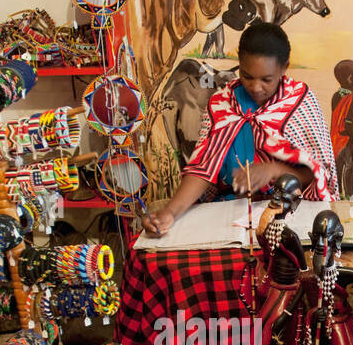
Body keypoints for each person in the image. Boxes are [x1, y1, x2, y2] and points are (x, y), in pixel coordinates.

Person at [141, 21, 336, 237]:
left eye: (266, 79)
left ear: (284, 68)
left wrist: (274, 170)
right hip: (230, 213)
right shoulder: (221, 103)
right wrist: (170, 212)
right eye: (247, 76)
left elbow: (317, 174)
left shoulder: (300, 102)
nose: (255, 87)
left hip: (288, 214)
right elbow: (203, 167)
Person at [330, 59, 353, 198]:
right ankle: (350, 197)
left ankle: (338, 196)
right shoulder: (352, 98)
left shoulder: (336, 96)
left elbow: (337, 120)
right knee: (350, 170)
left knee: (338, 170)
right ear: (350, 78)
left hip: (336, 141)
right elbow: (348, 122)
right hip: (349, 141)